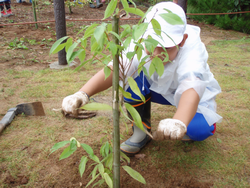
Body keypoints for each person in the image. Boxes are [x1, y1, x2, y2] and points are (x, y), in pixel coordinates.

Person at [62, 2, 222, 156]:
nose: (157, 53)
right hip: (158, 89)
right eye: (152, 45)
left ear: (183, 40)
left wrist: (180, 121)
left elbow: (191, 86)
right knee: (130, 78)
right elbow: (117, 68)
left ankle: (190, 124)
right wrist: (83, 93)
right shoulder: (139, 40)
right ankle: (141, 132)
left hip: (192, 96)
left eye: (166, 47)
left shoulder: (193, 50)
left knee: (198, 130)